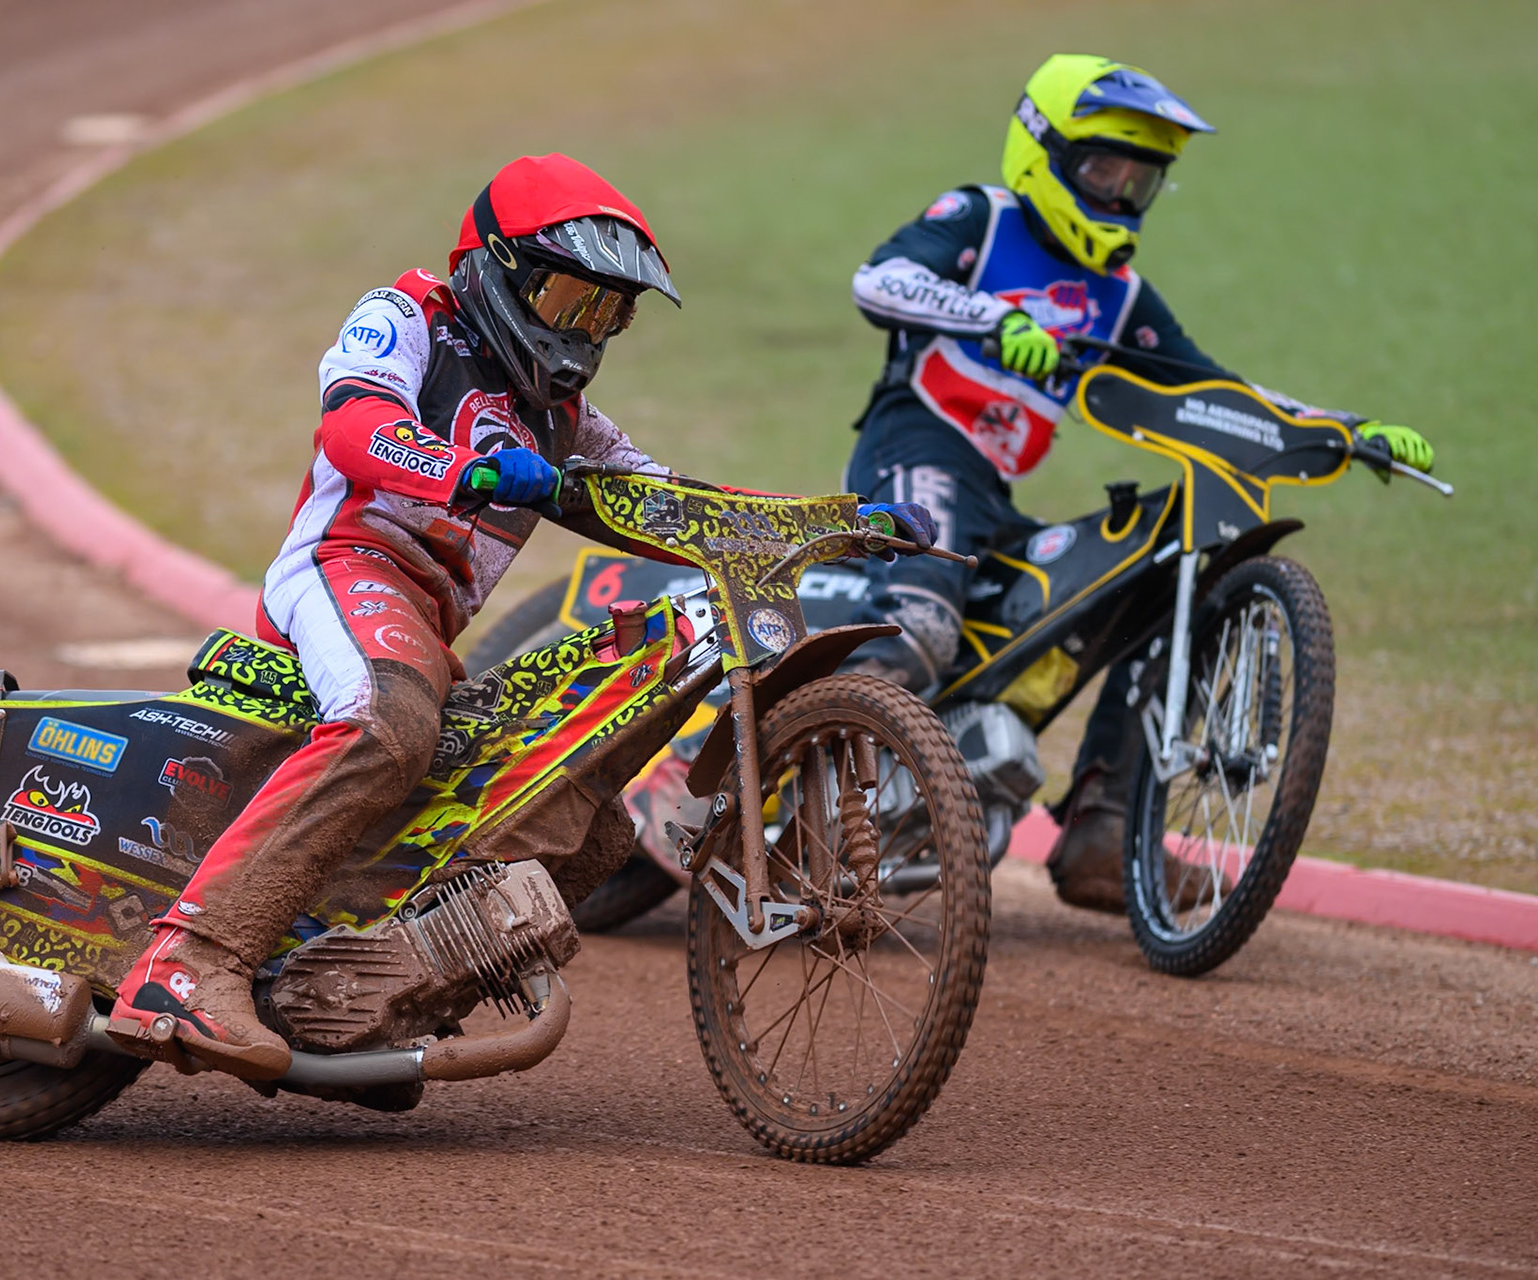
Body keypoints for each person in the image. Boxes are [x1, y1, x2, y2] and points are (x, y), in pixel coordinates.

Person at [110, 154, 936, 1080]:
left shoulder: (565, 420)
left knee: (585, 823)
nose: (581, 332)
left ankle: (348, 983)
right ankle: (188, 964)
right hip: (343, 570)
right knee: (393, 724)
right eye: (565, 299)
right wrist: (465, 470)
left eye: (604, 313)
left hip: (422, 627)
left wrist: (839, 523)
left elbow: (672, 506)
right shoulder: (407, 317)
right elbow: (352, 425)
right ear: (496, 270)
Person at [843, 55, 1434, 912]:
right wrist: (996, 317)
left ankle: (1104, 834)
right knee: (924, 626)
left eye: (1140, 178)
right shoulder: (980, 216)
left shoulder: (1122, 297)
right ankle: (820, 809)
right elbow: (878, 279)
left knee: (1141, 597)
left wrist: (1343, 432)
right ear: (1043, 150)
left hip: (998, 500)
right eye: (1102, 169)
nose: (1119, 193)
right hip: (915, 449)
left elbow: (1214, 390)